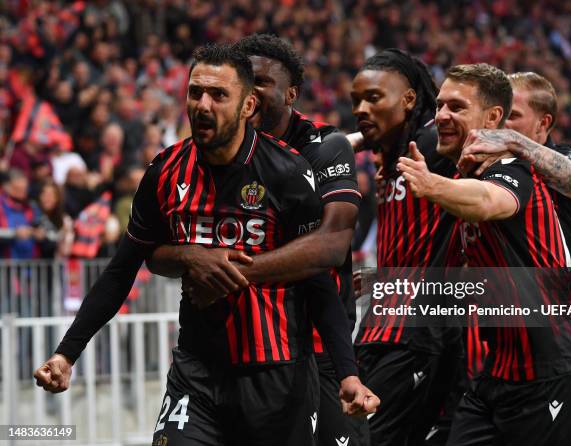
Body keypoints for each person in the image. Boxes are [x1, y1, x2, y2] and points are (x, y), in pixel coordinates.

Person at [34, 44, 377, 446]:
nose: (202, 104)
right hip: (195, 373)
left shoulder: (288, 172)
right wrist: (66, 354)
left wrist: (347, 372)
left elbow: (318, 283)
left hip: (276, 375)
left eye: (218, 95)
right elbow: (122, 268)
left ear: (248, 105)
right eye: (195, 92)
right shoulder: (164, 171)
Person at [146, 34, 368, 446]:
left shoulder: (322, 148)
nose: (251, 88)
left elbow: (330, 246)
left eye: (262, 81)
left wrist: (227, 271)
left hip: (316, 347)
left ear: (291, 94)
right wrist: (192, 257)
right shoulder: (211, 156)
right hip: (229, 356)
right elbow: (155, 251)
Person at [397, 63, 571, 446]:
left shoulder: (510, 165)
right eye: (440, 105)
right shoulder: (464, 174)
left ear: (492, 118)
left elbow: (491, 201)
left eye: (456, 107)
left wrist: (431, 184)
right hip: (498, 369)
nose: (441, 115)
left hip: (552, 364)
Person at [456, 71, 571, 445]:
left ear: (543, 124)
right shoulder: (496, 167)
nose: (503, 124)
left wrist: (512, 141)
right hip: (512, 332)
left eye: (514, 116)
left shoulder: (564, 158)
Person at [348, 49, 462, 446]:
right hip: (379, 327)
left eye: (374, 98)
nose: (361, 108)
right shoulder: (390, 148)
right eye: (355, 101)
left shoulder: (432, 141)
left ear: (409, 99)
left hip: (414, 334)